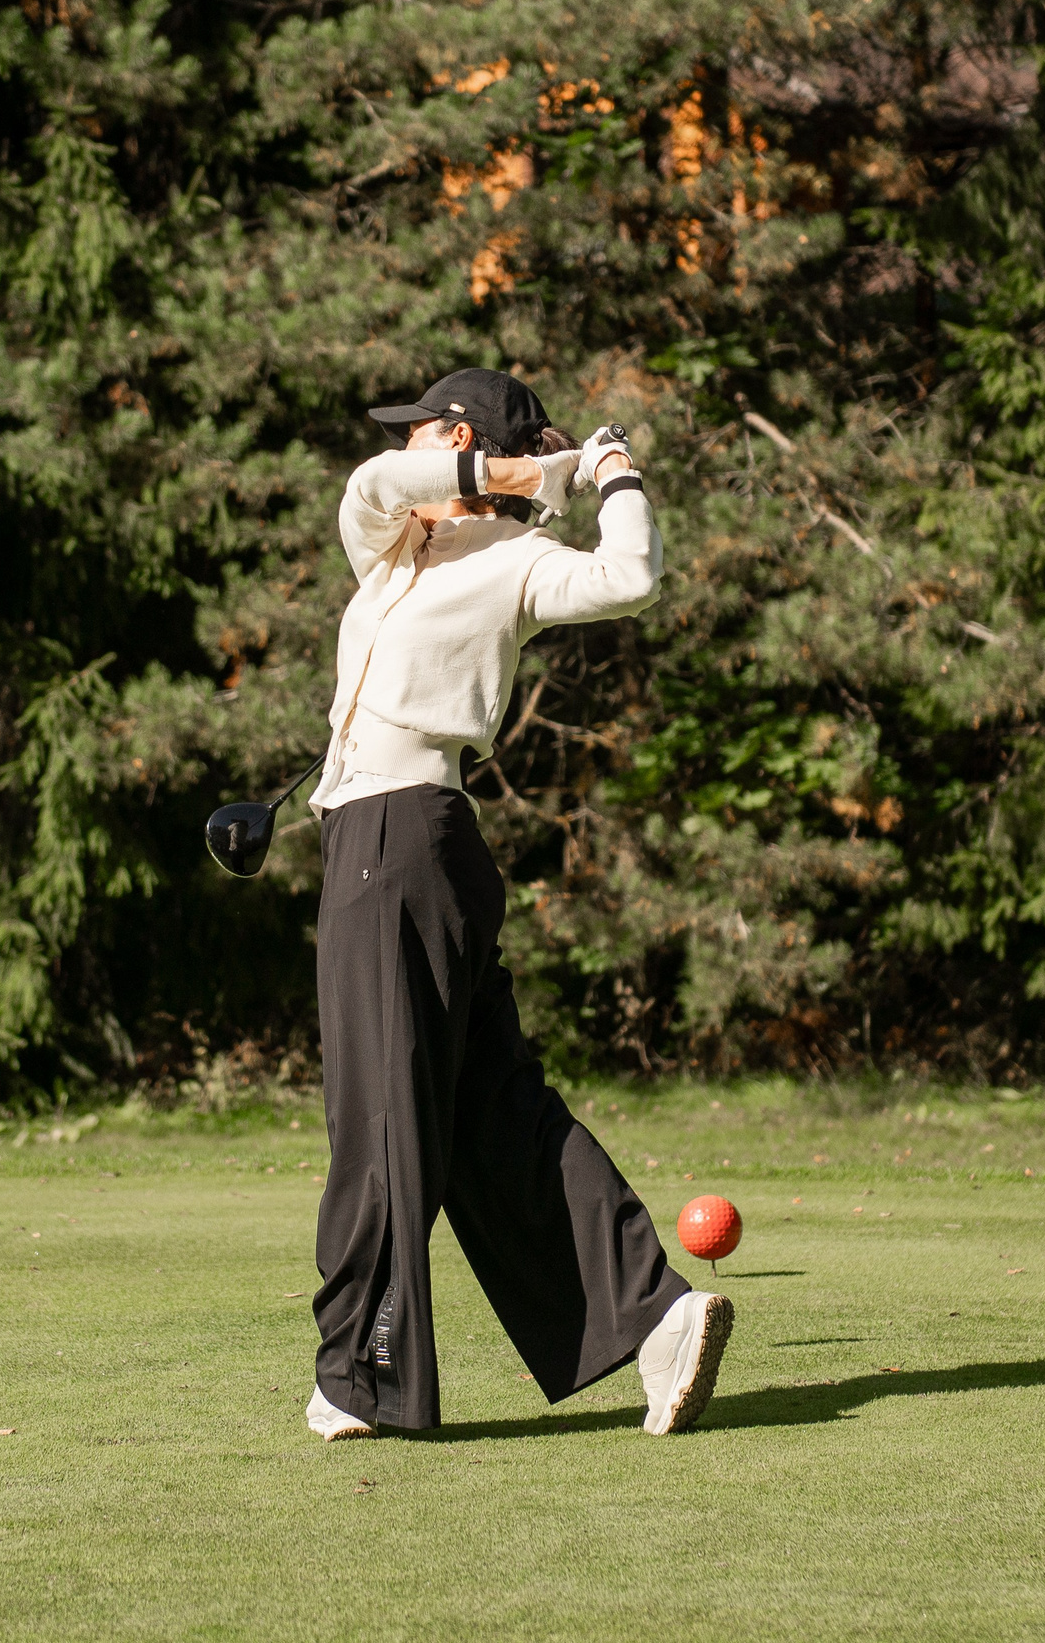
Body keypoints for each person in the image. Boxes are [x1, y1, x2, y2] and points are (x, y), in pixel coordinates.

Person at [302, 366, 732, 1441]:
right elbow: (374, 476)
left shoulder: (516, 563)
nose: (408, 446)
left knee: (381, 1119)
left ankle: (365, 1369)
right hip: (395, 844)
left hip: (402, 841)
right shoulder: (391, 541)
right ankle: (657, 1315)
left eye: (429, 428)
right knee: (492, 1116)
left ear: (459, 433)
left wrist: (613, 468)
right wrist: (521, 463)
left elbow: (630, 574)